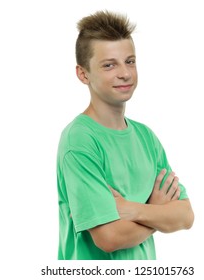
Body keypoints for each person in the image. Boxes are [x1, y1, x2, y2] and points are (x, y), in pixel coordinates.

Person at [56, 10, 194, 260]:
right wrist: (158, 212)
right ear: (83, 74)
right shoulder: (80, 140)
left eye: (130, 61)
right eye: (109, 65)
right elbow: (109, 238)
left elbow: (185, 216)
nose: (125, 73)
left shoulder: (146, 137)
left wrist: (133, 210)